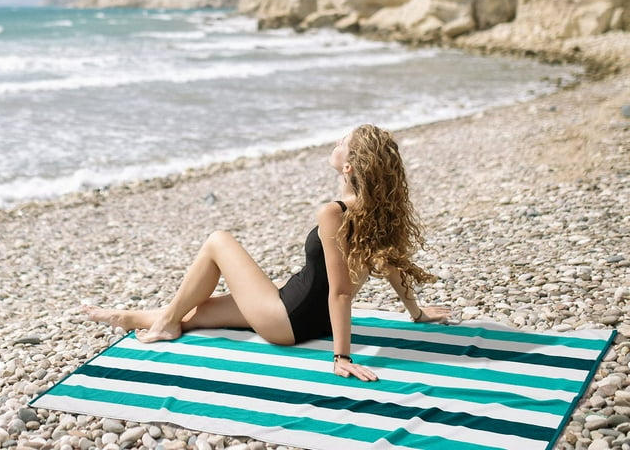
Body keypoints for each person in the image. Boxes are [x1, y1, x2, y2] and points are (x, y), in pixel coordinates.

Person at [84, 124, 451, 381]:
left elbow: (340, 292)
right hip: (310, 316)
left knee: (218, 240)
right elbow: (391, 267)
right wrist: (415, 313)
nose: (336, 142)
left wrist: (342, 357)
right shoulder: (376, 210)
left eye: (343, 141)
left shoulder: (334, 212)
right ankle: (133, 317)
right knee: (201, 311)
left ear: (350, 165)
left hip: (286, 318)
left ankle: (164, 323)